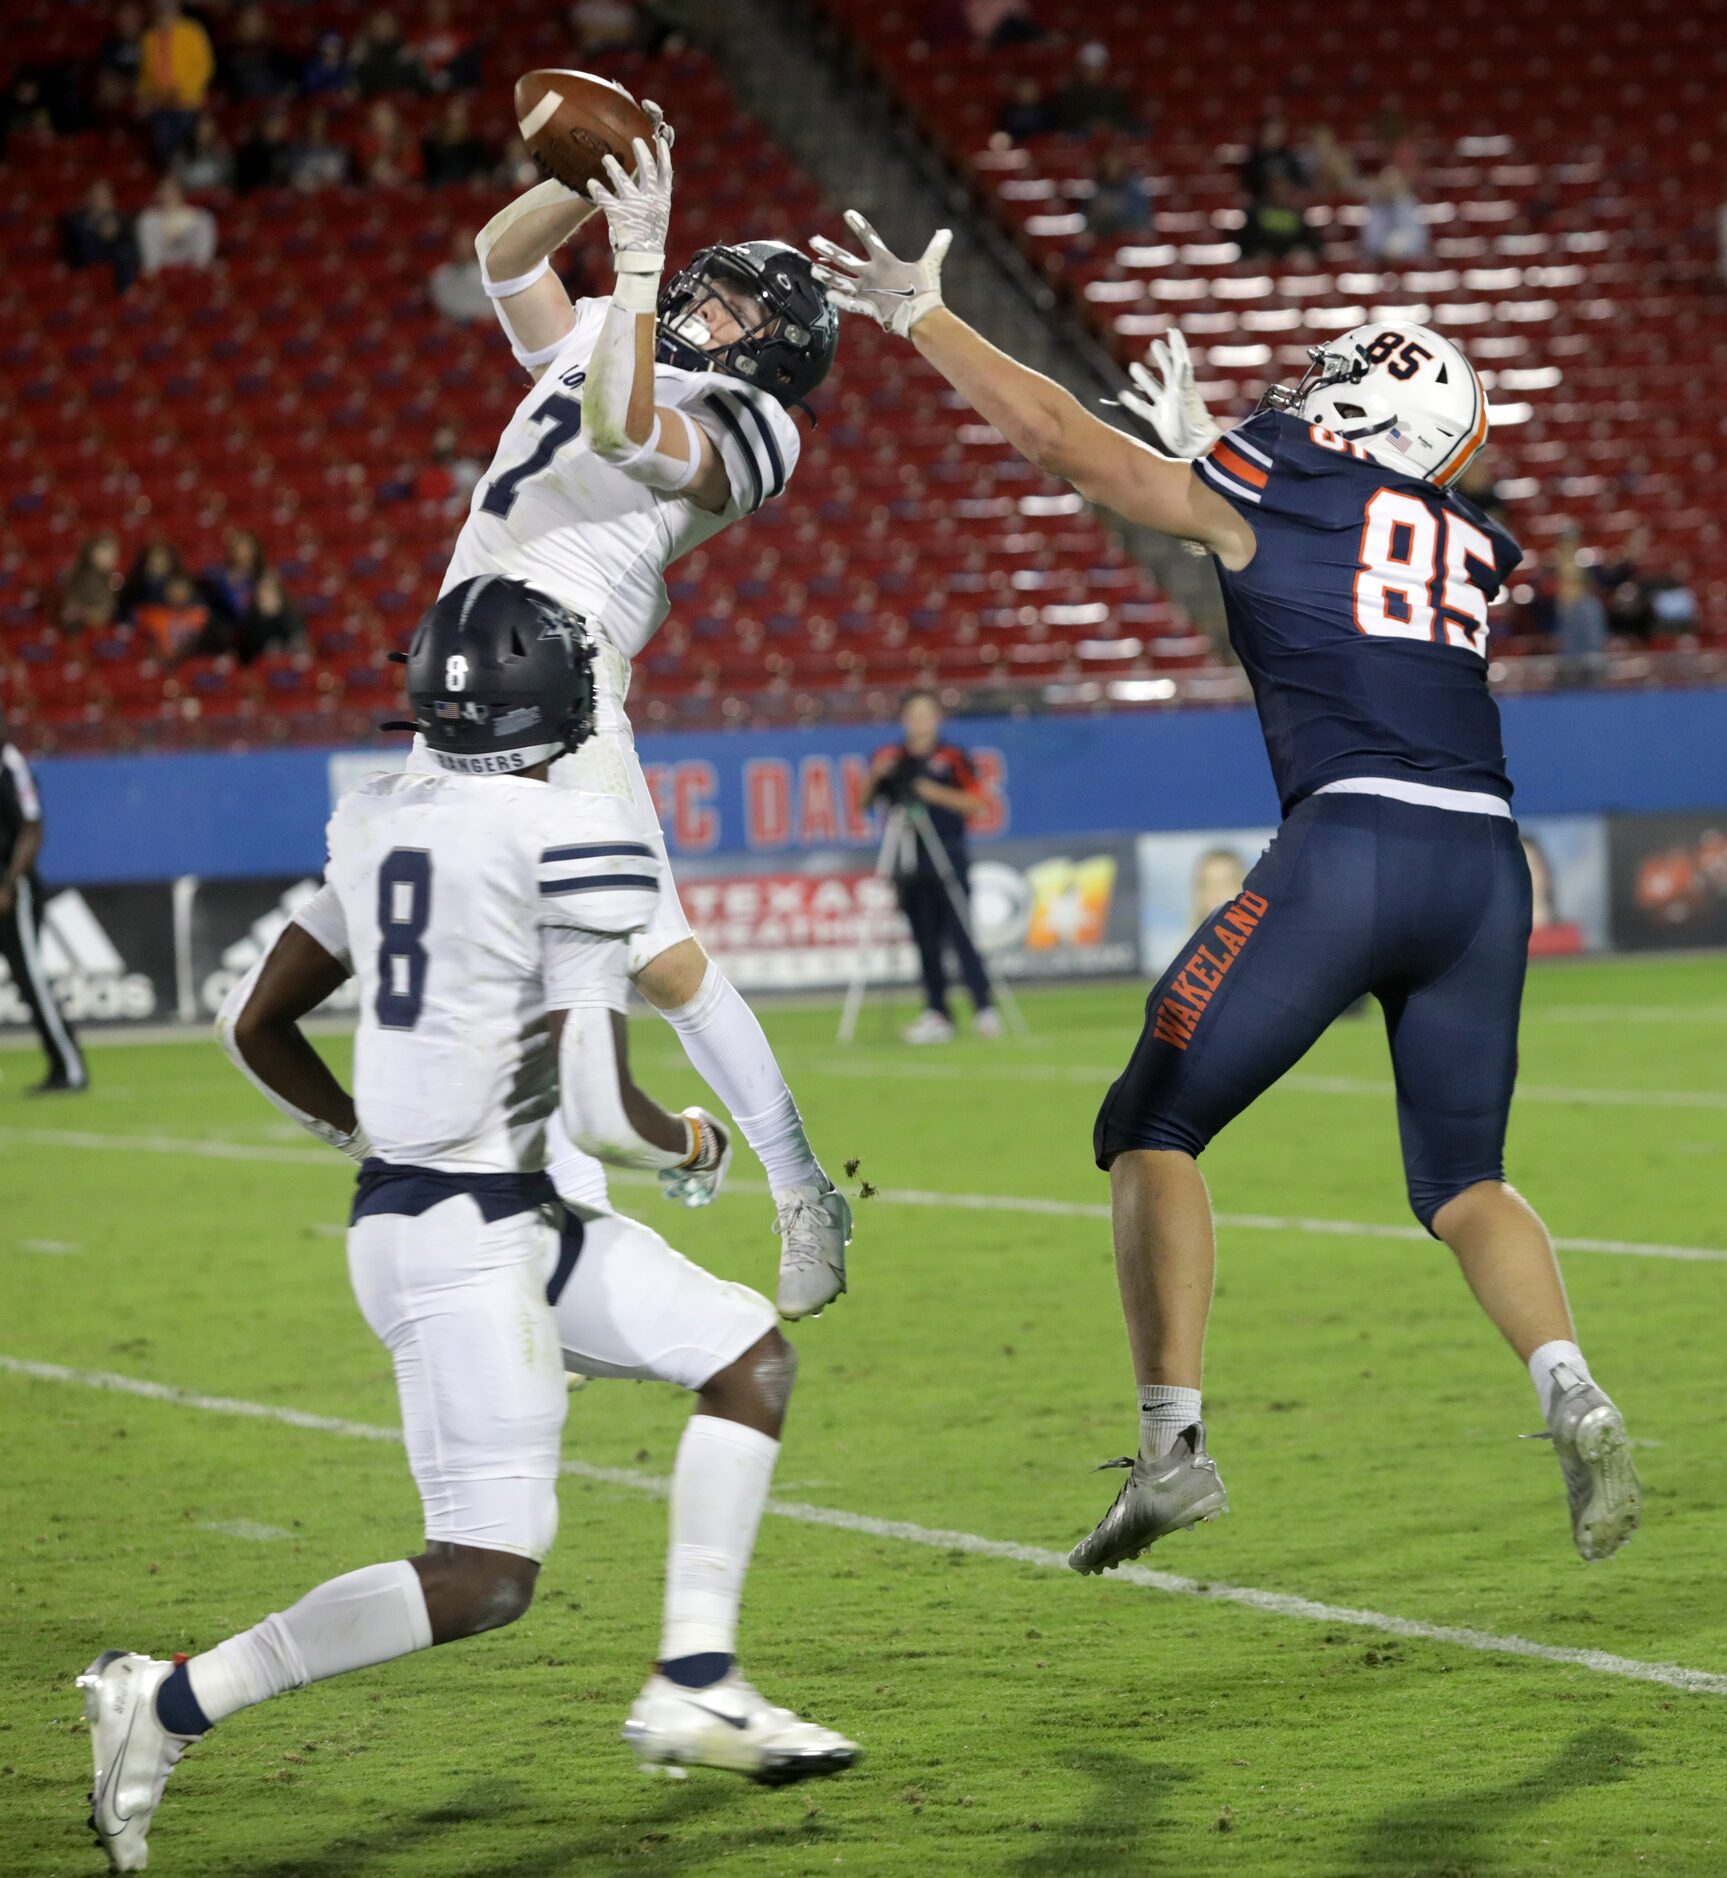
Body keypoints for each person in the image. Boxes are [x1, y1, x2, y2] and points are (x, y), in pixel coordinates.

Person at [813, 215, 1642, 1570]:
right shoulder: (1468, 542)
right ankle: (1570, 1387)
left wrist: (920, 318)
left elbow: (1065, 447)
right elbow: (1318, 579)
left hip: (1352, 844)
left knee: (1150, 1119)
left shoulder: (1287, 474)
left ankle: (1169, 1448)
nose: (1307, 380)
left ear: (1364, 407)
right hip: (1482, 862)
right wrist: (1208, 465)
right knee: (1460, 1178)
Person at [78, 583, 858, 1873]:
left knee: (744, 1356)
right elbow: (604, 1105)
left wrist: (366, 1136)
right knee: (486, 1574)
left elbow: (251, 1026)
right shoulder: (573, 830)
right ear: (554, 702)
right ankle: (161, 1702)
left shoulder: (379, 822)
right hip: (465, 1238)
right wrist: (694, 1142)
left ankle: (697, 1679)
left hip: (483, 1216)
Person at [435, 109, 852, 1317]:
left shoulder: (758, 425)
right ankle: (561, 1208)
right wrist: (589, 175)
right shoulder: (610, 342)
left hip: (564, 682)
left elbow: (622, 423)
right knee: (483, 972)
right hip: (462, 682)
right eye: (703, 287)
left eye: (732, 308)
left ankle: (796, 1187)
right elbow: (504, 261)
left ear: (774, 356)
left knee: (662, 963)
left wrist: (635, 254)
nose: (700, 308)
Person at [867, 690, 999, 1043]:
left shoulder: (953, 756)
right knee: (924, 939)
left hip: (947, 851)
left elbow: (978, 804)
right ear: (904, 719)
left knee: (962, 933)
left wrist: (930, 792)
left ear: (936, 717)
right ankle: (937, 1011)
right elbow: (866, 802)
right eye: (914, 714)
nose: (920, 721)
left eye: (927, 713)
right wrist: (877, 776)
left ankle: (984, 1008)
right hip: (908, 854)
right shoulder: (890, 757)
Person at [0, 719, 89, 1095]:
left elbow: (32, 827)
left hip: (12, 892)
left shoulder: (10, 765)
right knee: (27, 981)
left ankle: (69, 1068)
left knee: (31, 979)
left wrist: (10, 882)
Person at [136, 0, 214, 159]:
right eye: (161, 8)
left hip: (188, 103)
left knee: (186, 150)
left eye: (169, 7)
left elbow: (205, 67)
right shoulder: (149, 37)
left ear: (177, 8)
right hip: (160, 103)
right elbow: (144, 75)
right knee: (162, 150)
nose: (165, 11)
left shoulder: (192, 31)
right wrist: (144, 95)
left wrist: (182, 89)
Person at [60, 181, 138, 293]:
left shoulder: (123, 219)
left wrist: (114, 232)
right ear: (90, 198)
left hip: (114, 257)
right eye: (98, 195)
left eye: (105, 196)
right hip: (88, 260)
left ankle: (126, 291)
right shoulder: (77, 221)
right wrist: (95, 228)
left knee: (125, 252)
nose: (102, 199)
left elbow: (131, 244)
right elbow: (72, 249)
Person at [136, 176, 217, 274]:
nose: (169, 194)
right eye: (164, 189)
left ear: (181, 191)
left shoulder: (201, 218)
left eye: (173, 189)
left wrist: (197, 273)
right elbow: (151, 259)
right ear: (158, 193)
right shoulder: (148, 220)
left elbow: (203, 257)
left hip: (194, 275)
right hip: (162, 275)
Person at [58, 531, 123, 634]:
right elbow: (97, 615)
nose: (111, 555)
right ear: (91, 552)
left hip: (104, 632)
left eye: (114, 551)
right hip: (83, 635)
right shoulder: (82, 578)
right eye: (105, 550)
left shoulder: (111, 577)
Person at [1361, 166, 1428, 264]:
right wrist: (1388, 249)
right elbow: (1370, 243)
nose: (1390, 189)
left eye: (1394, 184)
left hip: (1409, 262)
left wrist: (1399, 249)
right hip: (1380, 262)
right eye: (1386, 185)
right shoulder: (1374, 208)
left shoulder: (1411, 206)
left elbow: (1419, 242)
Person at [421, 96, 493, 188]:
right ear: (447, 113)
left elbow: (482, 167)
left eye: (461, 110)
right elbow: (429, 169)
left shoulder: (475, 143)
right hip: (441, 185)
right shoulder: (434, 142)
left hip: (466, 184)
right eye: (455, 109)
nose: (458, 114)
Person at [428, 228, 488, 322]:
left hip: (483, 325)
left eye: (465, 244)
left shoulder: (488, 273)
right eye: (458, 243)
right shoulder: (440, 275)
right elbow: (441, 304)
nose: (461, 248)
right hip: (453, 325)